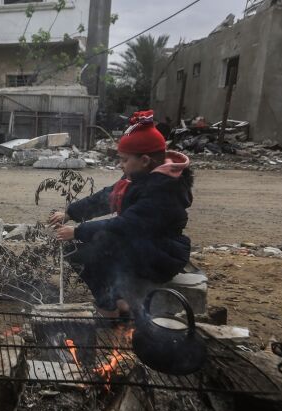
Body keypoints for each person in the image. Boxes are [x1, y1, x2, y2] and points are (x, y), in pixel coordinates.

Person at [48, 110, 193, 318]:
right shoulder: (139, 177)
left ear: (145, 160)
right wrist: (71, 213)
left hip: (161, 254)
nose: (120, 165)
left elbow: (126, 224)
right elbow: (107, 197)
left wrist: (78, 231)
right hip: (140, 245)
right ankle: (119, 301)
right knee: (83, 248)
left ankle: (110, 306)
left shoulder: (163, 189)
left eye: (124, 160)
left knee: (87, 251)